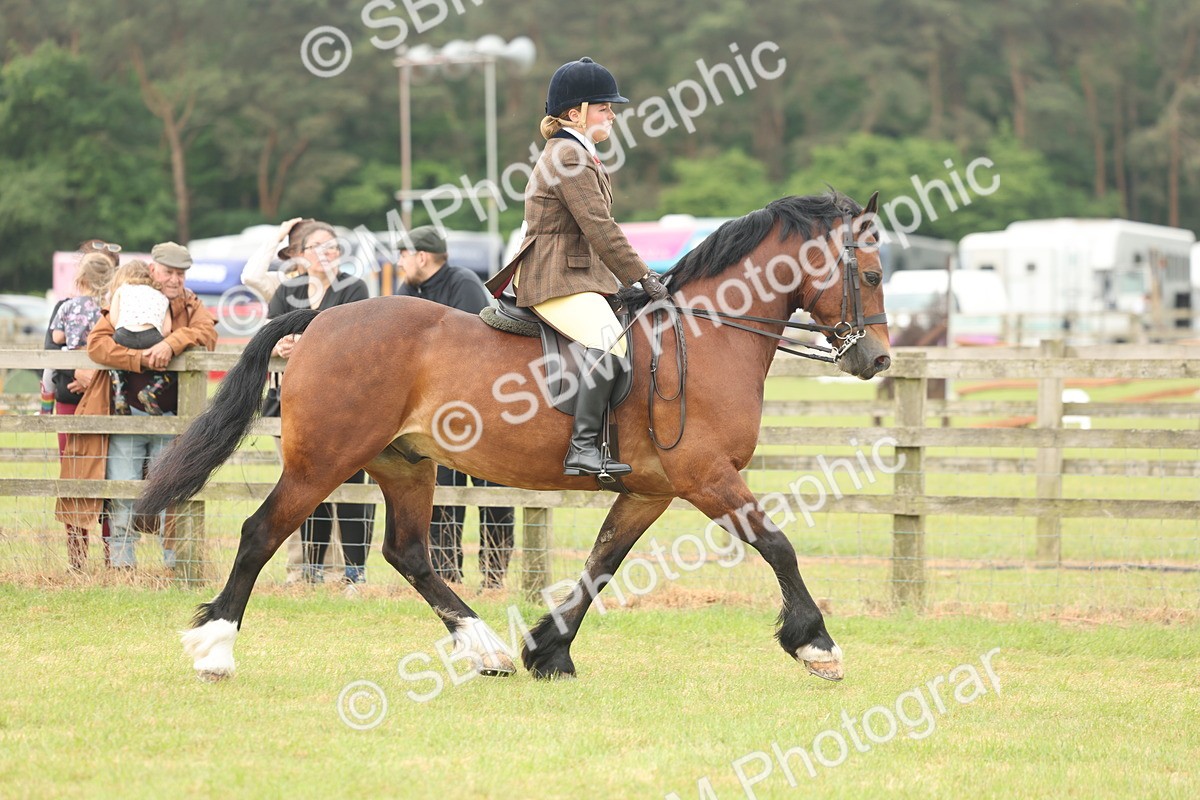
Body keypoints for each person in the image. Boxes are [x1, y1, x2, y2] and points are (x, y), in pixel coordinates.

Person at [485, 57, 670, 478]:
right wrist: (642, 275)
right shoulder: (569, 155)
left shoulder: (579, 153)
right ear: (576, 114)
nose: (612, 115)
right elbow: (599, 227)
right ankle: (583, 448)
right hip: (554, 277)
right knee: (611, 342)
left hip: (577, 274)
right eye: (605, 108)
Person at [57, 241, 217, 571]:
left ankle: (175, 565)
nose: (175, 279)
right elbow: (98, 344)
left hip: (174, 417)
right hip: (127, 413)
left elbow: (208, 334)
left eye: (181, 274)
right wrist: (140, 357)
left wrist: (171, 344)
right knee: (123, 492)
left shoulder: (191, 305)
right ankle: (122, 566)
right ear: (154, 270)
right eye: (169, 272)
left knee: (171, 491)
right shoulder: (130, 295)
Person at [397, 225, 515, 589]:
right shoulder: (407, 291)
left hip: (479, 408)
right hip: (437, 414)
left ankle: (493, 576)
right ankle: (448, 573)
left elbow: (472, 345)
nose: (399, 261)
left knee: (492, 493)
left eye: (403, 254)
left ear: (422, 256)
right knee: (444, 494)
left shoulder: (462, 283)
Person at [266, 220, 376, 585]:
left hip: (346, 405)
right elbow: (271, 331)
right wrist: (279, 345)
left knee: (350, 486)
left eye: (333, 247)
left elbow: (358, 341)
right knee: (306, 482)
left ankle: (354, 574)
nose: (327, 254)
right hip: (302, 404)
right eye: (318, 247)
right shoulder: (288, 289)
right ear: (301, 254)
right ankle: (311, 571)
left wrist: (307, 346)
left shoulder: (353, 288)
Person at [47, 252, 115, 570]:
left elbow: (56, 341)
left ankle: (77, 559)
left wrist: (74, 366)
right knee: (107, 476)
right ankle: (113, 557)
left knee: (74, 474)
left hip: (70, 398)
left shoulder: (66, 307)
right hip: (101, 396)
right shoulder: (111, 310)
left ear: (80, 278)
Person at [106, 261, 173, 415]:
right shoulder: (161, 295)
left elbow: (114, 320)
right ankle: (151, 391)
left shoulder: (122, 290)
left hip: (124, 333)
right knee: (172, 365)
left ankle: (120, 394)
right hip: (151, 336)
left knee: (115, 358)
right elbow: (167, 330)